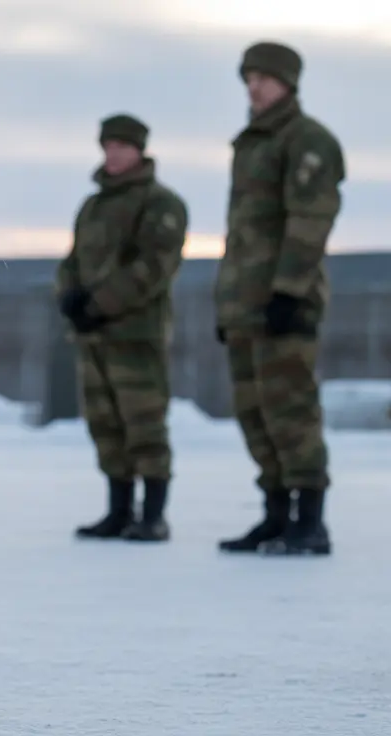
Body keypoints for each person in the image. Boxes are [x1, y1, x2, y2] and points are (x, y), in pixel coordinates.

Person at [215, 41, 344, 556]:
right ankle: (275, 517)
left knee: (290, 411)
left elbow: (310, 222)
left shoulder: (308, 140)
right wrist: (228, 303)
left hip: (286, 304)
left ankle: (310, 523)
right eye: (248, 78)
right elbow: (242, 236)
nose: (254, 87)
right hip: (246, 305)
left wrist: (289, 292)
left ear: (288, 82)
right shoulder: (252, 144)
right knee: (255, 413)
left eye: (264, 78)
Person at [56, 113, 188, 543]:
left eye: (121, 146)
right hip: (93, 336)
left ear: (139, 150)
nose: (113, 154)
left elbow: (154, 267)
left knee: (144, 423)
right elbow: (72, 261)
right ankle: (118, 511)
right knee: (105, 424)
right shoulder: (93, 207)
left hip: (136, 336)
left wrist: (99, 304)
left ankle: (153, 516)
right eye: (108, 146)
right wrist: (70, 298)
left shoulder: (161, 204)